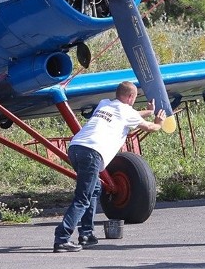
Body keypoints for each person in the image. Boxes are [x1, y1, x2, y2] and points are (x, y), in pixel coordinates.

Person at [52, 81, 166, 252]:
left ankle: (87, 234)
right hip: (92, 153)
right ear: (130, 97)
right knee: (82, 198)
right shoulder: (127, 111)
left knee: (95, 188)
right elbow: (151, 127)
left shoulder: (104, 104)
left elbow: (130, 114)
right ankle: (62, 238)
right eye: (134, 98)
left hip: (75, 149)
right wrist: (159, 121)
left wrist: (148, 112)